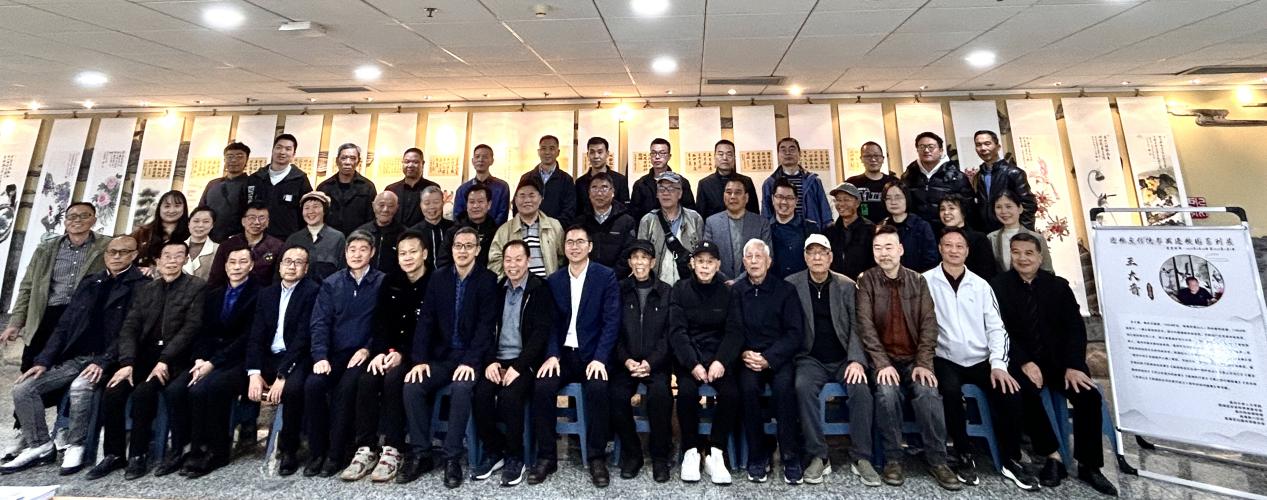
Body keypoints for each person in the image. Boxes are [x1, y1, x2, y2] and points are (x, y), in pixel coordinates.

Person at [1, 236, 145, 475]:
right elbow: (64, 325)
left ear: (134, 255)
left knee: (80, 387)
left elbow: (131, 331)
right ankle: (40, 444)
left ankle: (76, 444)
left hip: (111, 359)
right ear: (105, 254)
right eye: (112, 252)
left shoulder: (142, 285)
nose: (116, 256)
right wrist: (43, 361)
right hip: (76, 356)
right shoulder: (90, 282)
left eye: (123, 252)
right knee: (24, 388)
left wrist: (103, 361)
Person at [992, 233, 1118, 496]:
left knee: (1088, 396)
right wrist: (1024, 361)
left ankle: (1089, 465)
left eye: (1029, 253)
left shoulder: (1058, 286)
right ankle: (1052, 456)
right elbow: (1000, 330)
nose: (1022, 258)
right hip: (1022, 361)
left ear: (1040, 257)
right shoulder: (999, 287)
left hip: (1060, 363)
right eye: (1016, 252)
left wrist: (1074, 365)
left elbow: (1075, 328)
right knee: (1022, 391)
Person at [924, 227, 1036, 490]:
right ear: (940, 249)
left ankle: (1010, 458)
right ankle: (963, 454)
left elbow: (996, 327)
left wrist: (998, 364)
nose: (953, 250)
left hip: (980, 357)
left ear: (967, 251)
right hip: (944, 356)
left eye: (959, 246)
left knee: (1009, 391)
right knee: (950, 392)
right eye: (948, 245)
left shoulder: (981, 285)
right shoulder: (926, 281)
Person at [854, 225, 960, 491]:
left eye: (889, 247)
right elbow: (865, 326)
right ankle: (894, 459)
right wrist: (882, 363)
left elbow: (929, 324)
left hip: (914, 358)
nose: (883, 253)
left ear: (900, 250)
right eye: (878, 248)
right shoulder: (866, 281)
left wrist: (924, 363)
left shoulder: (918, 281)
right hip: (883, 359)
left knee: (927, 392)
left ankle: (938, 460)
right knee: (887, 394)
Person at [94, 241, 206, 480]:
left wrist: (165, 359)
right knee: (113, 390)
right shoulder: (147, 289)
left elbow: (191, 328)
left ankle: (138, 454)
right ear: (158, 260)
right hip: (142, 357)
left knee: (144, 393)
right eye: (167, 256)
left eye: (178, 256)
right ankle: (114, 453)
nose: (172, 260)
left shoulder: (197, 287)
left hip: (175, 359)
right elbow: (129, 327)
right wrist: (126, 363)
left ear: (186, 260)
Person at [402, 227, 498, 488]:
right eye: (458, 246)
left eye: (469, 246)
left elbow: (486, 327)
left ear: (478, 250)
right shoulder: (439, 278)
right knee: (412, 385)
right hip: (443, 356)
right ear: (451, 249)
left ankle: (451, 457)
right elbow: (426, 321)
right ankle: (421, 454)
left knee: (462, 388)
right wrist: (419, 360)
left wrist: (470, 362)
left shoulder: (487, 279)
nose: (462, 251)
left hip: (472, 356)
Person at [159, 240, 261, 478]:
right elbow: (202, 331)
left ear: (251, 265)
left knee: (208, 389)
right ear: (225, 266)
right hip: (207, 358)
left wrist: (213, 363)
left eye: (243, 262)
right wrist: (199, 359)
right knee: (176, 389)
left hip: (238, 360)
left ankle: (213, 450)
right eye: (232, 262)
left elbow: (248, 337)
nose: (237, 266)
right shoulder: (214, 294)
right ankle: (181, 447)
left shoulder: (259, 295)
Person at [532, 225, 620, 487]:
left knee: (598, 389)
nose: (574, 246)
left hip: (593, 354)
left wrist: (600, 358)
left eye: (580, 241)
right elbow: (550, 323)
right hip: (563, 355)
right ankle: (547, 456)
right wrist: (551, 354)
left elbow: (611, 322)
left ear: (590, 246)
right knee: (542, 387)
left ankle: (596, 457)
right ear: (564, 247)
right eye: (569, 242)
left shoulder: (605, 277)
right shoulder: (555, 280)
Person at [787, 234, 878, 486]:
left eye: (822, 252)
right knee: (802, 387)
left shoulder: (847, 286)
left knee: (861, 389)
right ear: (805, 257)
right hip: (809, 358)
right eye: (811, 252)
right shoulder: (792, 285)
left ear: (830, 257)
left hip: (844, 358)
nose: (817, 257)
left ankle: (862, 456)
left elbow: (858, 326)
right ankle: (819, 455)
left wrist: (856, 360)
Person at [340, 231, 430, 483]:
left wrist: (403, 354)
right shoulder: (391, 281)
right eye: (402, 253)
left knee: (393, 380)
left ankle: (393, 448)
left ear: (424, 254)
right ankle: (366, 447)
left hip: (417, 355)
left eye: (413, 252)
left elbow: (430, 329)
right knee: (367, 378)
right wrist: (381, 352)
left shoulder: (434, 282)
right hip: (388, 351)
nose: (407, 257)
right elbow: (380, 323)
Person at [471, 239, 557, 487]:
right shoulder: (497, 289)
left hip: (525, 361)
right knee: (480, 393)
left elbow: (540, 334)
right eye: (508, 260)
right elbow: (486, 328)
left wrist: (518, 366)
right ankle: (493, 450)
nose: (513, 265)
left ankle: (514, 456)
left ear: (528, 261)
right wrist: (490, 361)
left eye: (518, 259)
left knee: (510, 396)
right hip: (497, 359)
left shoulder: (540, 289)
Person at [302, 231, 386, 478]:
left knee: (346, 389)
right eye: (352, 250)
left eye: (363, 249)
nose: (357, 254)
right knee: (313, 386)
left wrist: (369, 348)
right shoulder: (332, 283)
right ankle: (317, 452)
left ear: (372, 252)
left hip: (362, 353)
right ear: (345, 253)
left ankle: (336, 454)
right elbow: (320, 322)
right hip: (334, 353)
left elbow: (384, 324)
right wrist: (320, 356)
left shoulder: (382, 282)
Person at [2, 202, 109, 390]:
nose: (77, 220)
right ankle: (25, 408)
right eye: (72, 216)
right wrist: (15, 323)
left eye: (84, 215)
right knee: (30, 372)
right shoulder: (46, 248)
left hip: (82, 319)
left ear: (94, 220)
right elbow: (27, 287)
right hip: (46, 315)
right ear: (65, 221)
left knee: (68, 375)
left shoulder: (106, 247)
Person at [733, 238, 805, 484]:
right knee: (747, 389)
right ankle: (757, 454)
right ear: (744, 262)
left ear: (769, 261)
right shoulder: (736, 291)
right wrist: (743, 353)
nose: (754, 261)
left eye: (759, 257)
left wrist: (769, 358)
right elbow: (732, 329)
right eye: (749, 257)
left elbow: (795, 332)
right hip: (747, 357)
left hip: (778, 357)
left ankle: (790, 455)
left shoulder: (786, 290)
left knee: (785, 389)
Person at [245, 244, 320, 477]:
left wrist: (282, 375)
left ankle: (289, 450)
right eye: (287, 261)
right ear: (279, 266)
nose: (292, 266)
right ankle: (213, 447)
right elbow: (256, 335)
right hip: (269, 356)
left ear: (306, 268)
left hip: (297, 357)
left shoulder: (312, 292)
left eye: (298, 262)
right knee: (220, 383)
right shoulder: (267, 294)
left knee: (293, 389)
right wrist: (254, 372)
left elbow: (303, 338)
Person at [669, 241, 741, 485]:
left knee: (731, 394)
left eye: (710, 262)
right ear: (692, 263)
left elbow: (734, 331)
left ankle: (715, 451)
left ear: (718, 265)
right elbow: (677, 332)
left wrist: (720, 361)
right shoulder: (680, 289)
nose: (705, 266)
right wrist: (693, 364)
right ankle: (690, 450)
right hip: (690, 359)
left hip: (719, 358)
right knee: (687, 393)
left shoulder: (728, 292)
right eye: (700, 261)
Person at [609, 239, 673, 482]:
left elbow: (669, 334)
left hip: (656, 364)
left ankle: (660, 456)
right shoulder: (619, 289)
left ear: (653, 262)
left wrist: (651, 363)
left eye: (644, 258)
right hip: (626, 363)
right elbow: (612, 331)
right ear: (629, 262)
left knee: (661, 396)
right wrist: (626, 361)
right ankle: (632, 453)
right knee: (616, 396)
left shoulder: (666, 291)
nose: (639, 262)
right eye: (635, 257)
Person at [635, 171, 703, 285]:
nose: (666, 193)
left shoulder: (694, 218)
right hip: (657, 285)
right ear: (657, 194)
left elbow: (701, 253)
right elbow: (641, 256)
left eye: (671, 189)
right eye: (661, 189)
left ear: (680, 193)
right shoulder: (648, 220)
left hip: (688, 284)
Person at [488, 178, 564, 280]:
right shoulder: (504, 230)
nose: (527, 200)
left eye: (532, 195)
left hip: (549, 286)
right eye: (522, 196)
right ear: (515, 200)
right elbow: (495, 263)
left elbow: (562, 258)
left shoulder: (554, 226)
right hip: (516, 286)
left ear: (541, 198)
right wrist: (509, 283)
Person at [899, 132, 974, 232]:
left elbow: (968, 208)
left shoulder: (957, 177)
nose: (926, 150)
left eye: (931, 147)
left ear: (941, 150)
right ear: (917, 150)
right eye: (922, 147)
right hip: (917, 232)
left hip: (948, 232)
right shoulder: (908, 176)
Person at [246, 134, 313, 239]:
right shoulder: (255, 178)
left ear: (293, 154)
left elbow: (308, 211)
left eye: (288, 149)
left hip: (288, 239)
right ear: (273, 150)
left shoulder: (300, 180)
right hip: (257, 237)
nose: (282, 152)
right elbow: (245, 207)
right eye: (279, 147)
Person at [702, 177, 770, 280]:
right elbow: (707, 257)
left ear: (746, 197)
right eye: (729, 192)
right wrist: (725, 280)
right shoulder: (711, 222)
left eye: (738, 193)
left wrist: (738, 281)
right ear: (724, 196)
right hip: (720, 283)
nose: (733, 196)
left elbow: (767, 257)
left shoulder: (761, 223)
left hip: (752, 283)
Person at [207, 202, 286, 287]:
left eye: (262, 218)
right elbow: (216, 278)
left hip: (264, 293)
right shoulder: (227, 245)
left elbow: (278, 280)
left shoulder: (277, 246)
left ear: (267, 222)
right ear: (243, 221)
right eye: (252, 218)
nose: (257, 222)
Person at [761, 137, 831, 231]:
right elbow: (766, 214)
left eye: (792, 149)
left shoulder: (813, 181)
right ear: (778, 155)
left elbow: (825, 211)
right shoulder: (770, 183)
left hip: (810, 232)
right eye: (783, 150)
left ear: (799, 153)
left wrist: (827, 230)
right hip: (780, 233)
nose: (787, 153)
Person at [972, 131, 1035, 232]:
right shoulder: (978, 176)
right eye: (978, 145)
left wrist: (1024, 233)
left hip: (1011, 231)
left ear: (998, 147)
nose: (983, 148)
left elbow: (1028, 205)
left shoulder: (1014, 173)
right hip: (987, 234)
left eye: (987, 143)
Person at [578, 172, 636, 278]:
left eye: (604, 188)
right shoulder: (580, 222)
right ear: (589, 193)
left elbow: (628, 254)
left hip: (617, 280)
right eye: (594, 188)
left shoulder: (626, 221)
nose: (599, 193)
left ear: (613, 192)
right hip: (586, 278)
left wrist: (610, 277)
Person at [316, 142, 377, 235]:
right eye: (344, 158)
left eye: (352, 158)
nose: (348, 162)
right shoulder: (324, 187)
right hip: (329, 238)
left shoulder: (368, 187)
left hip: (358, 238)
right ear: (337, 161)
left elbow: (372, 219)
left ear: (358, 161)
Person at [285, 191, 346, 280]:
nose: (311, 211)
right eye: (306, 208)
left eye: (315, 207)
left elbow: (343, 270)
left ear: (324, 211)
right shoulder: (294, 239)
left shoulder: (337, 238)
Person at [987, 190, 1052, 273]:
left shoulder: (1037, 238)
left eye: (1008, 206)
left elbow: (1048, 270)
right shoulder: (991, 238)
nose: (1003, 211)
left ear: (1020, 209)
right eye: (998, 207)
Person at [630, 138, 695, 221]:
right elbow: (634, 215)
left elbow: (689, 211)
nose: (657, 157)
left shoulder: (681, 182)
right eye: (653, 153)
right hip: (648, 227)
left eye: (662, 153)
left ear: (669, 156)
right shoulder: (641, 184)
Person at [879, 182, 938, 272]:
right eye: (888, 198)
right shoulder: (881, 227)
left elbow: (931, 260)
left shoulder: (922, 227)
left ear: (906, 198)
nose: (893, 202)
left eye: (898, 197)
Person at [200, 142, 253, 242]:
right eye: (229, 156)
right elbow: (201, 210)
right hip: (209, 239)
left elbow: (253, 214)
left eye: (239, 156)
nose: (234, 160)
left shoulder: (252, 184)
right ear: (224, 160)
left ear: (247, 160)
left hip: (238, 240)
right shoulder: (212, 184)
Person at [520, 135, 576, 226]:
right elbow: (518, 205)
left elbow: (569, 210)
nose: (547, 152)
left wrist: (554, 228)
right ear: (538, 152)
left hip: (557, 231)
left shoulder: (566, 180)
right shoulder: (527, 178)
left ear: (558, 152)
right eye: (543, 148)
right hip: (529, 230)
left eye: (551, 148)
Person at [695, 139, 759, 219]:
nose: (725, 158)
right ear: (714, 157)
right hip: (714, 226)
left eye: (729, 154)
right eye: (720, 154)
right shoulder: (705, 184)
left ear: (734, 158)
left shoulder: (746, 181)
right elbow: (700, 217)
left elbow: (754, 213)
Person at [769, 178, 819, 279]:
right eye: (779, 197)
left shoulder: (810, 228)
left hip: (802, 284)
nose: (784, 202)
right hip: (773, 286)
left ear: (796, 201)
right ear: (772, 199)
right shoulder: (764, 228)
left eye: (789, 198)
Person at [130, 190, 190, 275]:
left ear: (184, 208)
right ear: (159, 208)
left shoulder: (190, 234)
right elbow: (126, 257)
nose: (171, 210)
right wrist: (139, 270)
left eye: (177, 206)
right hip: (145, 279)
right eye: (167, 206)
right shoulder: (143, 232)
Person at [938, 195, 997, 281]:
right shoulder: (938, 237)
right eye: (942, 209)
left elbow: (987, 272)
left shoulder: (979, 238)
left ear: (963, 212)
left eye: (951, 208)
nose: (946, 212)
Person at [824, 182, 875, 280]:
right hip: (836, 284)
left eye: (846, 200)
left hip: (863, 284)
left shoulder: (870, 229)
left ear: (857, 203)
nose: (841, 204)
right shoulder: (829, 231)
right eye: (838, 200)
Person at [452, 144, 510, 226]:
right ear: (473, 161)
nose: (480, 160)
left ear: (492, 161)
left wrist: (490, 231)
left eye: (485, 157)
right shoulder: (462, 189)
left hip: (495, 232)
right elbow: (458, 217)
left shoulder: (502, 187)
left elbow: (502, 215)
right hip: (468, 232)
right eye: (477, 156)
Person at [385, 148, 440, 228]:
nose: (410, 165)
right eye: (407, 162)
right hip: (395, 234)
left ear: (422, 164)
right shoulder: (391, 189)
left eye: (415, 162)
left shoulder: (432, 188)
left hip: (423, 233)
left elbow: (436, 217)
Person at [845, 141, 898, 224]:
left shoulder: (894, 182)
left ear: (883, 159)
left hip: (889, 228)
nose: (873, 159)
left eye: (876, 156)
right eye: (868, 156)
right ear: (861, 159)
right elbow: (846, 209)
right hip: (860, 229)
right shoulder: (851, 183)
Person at [575, 137, 629, 216]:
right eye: (592, 152)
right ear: (587, 155)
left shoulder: (620, 180)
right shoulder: (580, 182)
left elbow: (624, 208)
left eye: (600, 152)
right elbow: (578, 210)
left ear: (607, 154)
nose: (596, 156)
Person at [357, 191, 405, 277]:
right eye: (381, 205)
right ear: (373, 206)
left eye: (390, 206)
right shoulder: (361, 232)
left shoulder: (405, 234)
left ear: (397, 208)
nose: (385, 209)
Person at [452, 183, 498, 269]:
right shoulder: (454, 231)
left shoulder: (496, 232)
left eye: (480, 201)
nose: (476, 206)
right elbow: (444, 261)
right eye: (472, 202)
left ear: (489, 204)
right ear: (466, 205)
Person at [184, 207, 219, 280]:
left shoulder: (218, 249)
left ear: (212, 225)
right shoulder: (175, 247)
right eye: (196, 221)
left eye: (206, 222)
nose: (200, 225)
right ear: (189, 224)